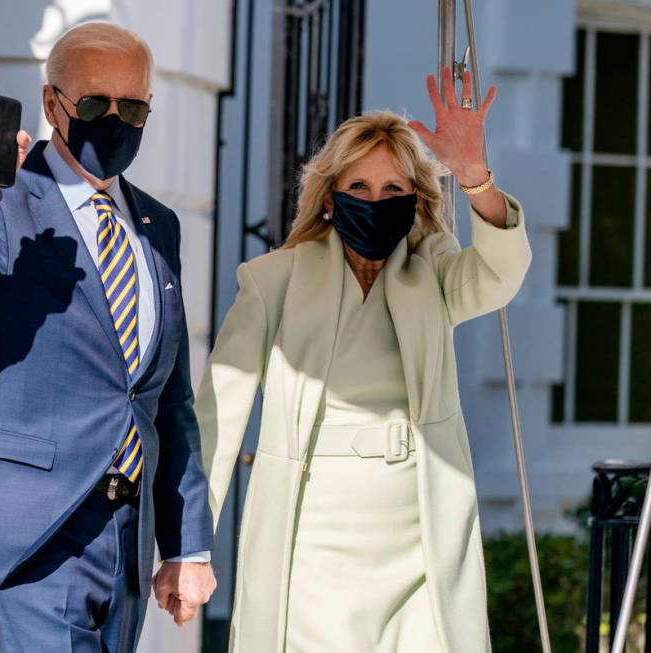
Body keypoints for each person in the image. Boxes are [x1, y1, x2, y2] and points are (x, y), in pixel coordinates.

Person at [0, 22, 216, 653]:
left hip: (128, 525)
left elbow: (166, 402)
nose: (115, 121)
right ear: (52, 106)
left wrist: (187, 544)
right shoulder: (5, 204)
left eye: (134, 107)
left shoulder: (159, 224)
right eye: (96, 105)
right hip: (36, 524)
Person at [196, 69, 531, 652]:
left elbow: (502, 275)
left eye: (395, 191)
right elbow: (217, 417)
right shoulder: (273, 279)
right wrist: (189, 547)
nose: (377, 203)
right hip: (311, 537)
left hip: (418, 533)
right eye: (359, 189)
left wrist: (475, 176)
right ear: (329, 199)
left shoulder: (436, 271)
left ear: (416, 200)